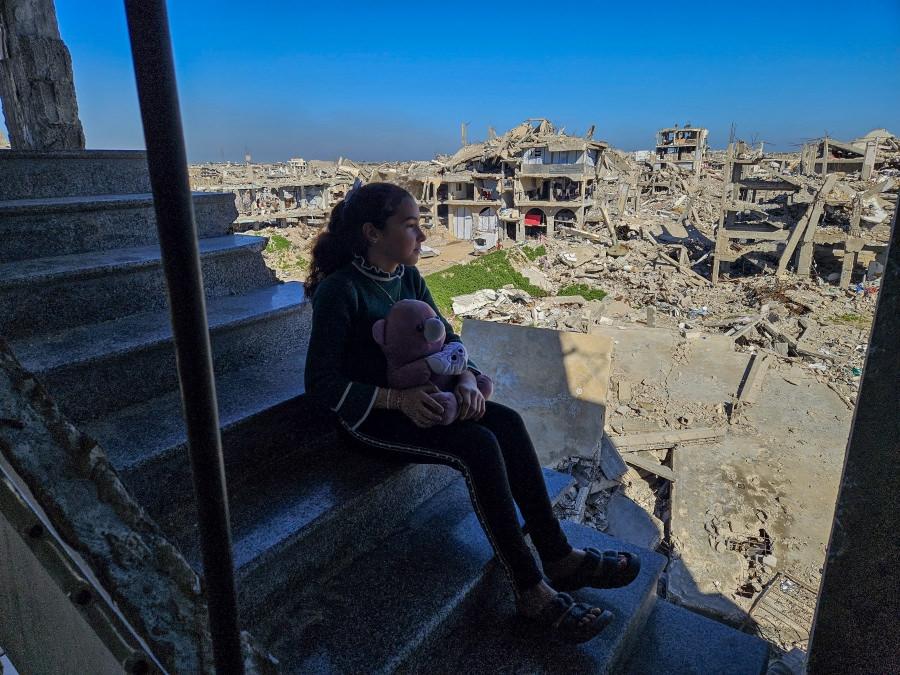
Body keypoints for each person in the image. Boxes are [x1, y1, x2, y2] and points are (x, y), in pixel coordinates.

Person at [304, 182, 641, 644]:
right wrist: (397, 400)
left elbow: (450, 341)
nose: (423, 236)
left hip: (433, 399)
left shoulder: (407, 278)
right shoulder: (340, 291)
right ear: (372, 233)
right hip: (372, 419)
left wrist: (465, 379)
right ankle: (529, 587)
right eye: (410, 226)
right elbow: (319, 384)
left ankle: (558, 555)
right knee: (477, 446)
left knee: (507, 422)